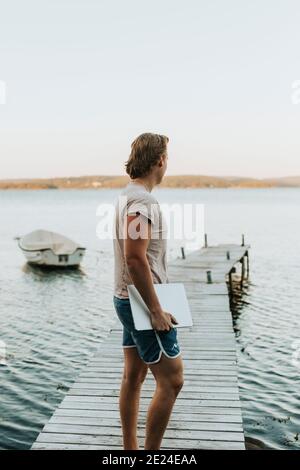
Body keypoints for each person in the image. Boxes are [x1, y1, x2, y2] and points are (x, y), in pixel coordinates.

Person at [112, 132, 184, 450]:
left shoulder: (127, 195)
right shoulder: (142, 201)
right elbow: (134, 258)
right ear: (160, 161)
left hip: (127, 298)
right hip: (140, 303)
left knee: (134, 376)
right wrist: (155, 309)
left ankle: (131, 451)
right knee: (171, 380)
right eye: (167, 157)